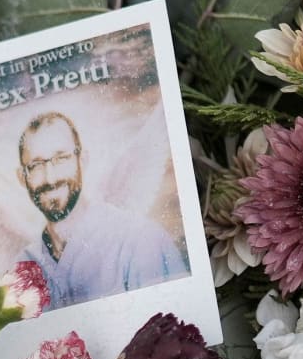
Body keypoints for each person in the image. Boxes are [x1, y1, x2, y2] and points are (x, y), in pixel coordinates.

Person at [14, 112, 189, 311]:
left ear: (83, 160)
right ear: (22, 177)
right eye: (36, 165)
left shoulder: (140, 241)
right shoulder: (23, 267)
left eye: (61, 158)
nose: (50, 178)